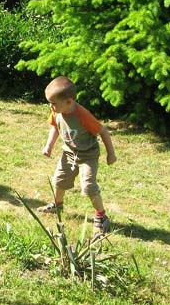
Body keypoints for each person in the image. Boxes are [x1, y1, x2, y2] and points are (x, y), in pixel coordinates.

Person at [37, 76, 117, 237]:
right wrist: (49, 146)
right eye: (50, 103)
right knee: (59, 180)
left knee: (88, 186)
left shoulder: (82, 115)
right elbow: (55, 126)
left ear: (68, 102)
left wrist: (111, 154)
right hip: (69, 152)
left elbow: (103, 131)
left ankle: (102, 217)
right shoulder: (58, 112)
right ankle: (58, 205)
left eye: (53, 103)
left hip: (88, 155)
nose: (51, 106)